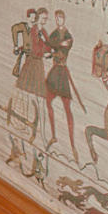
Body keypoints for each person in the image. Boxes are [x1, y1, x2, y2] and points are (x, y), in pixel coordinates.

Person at [45, 9, 78, 160]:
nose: (58, 21)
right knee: (48, 102)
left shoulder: (68, 35)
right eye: (56, 19)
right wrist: (57, 46)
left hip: (62, 72)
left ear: (63, 19)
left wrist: (55, 48)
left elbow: (65, 47)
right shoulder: (54, 34)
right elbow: (50, 44)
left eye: (60, 18)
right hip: (54, 71)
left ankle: (72, 144)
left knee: (67, 108)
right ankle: (53, 135)